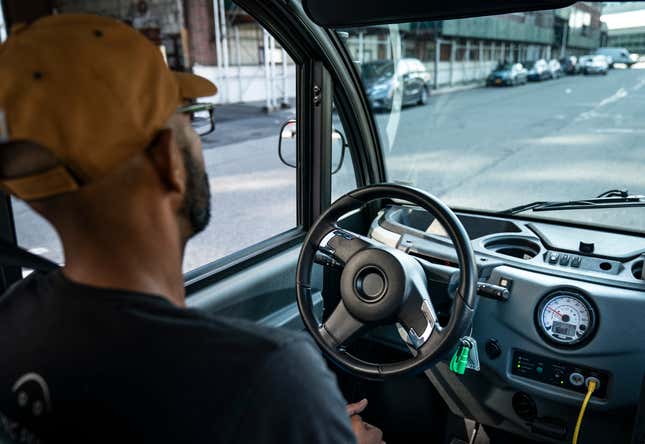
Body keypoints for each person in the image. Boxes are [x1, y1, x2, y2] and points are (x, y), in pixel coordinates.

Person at [0, 13, 383, 444]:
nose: (197, 139)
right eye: (189, 120)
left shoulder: (13, 320)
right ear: (168, 161)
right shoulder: (267, 378)